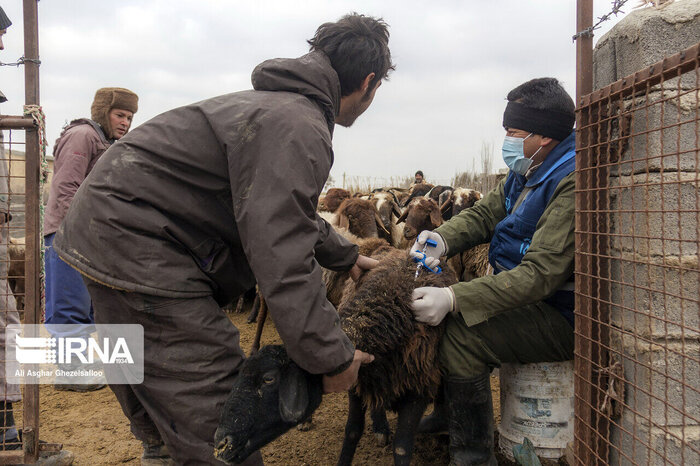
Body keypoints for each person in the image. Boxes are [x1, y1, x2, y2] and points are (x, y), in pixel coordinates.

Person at [53, 13, 394, 465]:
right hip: (146, 254)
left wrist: (345, 255)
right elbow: (283, 254)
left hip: (104, 241)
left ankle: (161, 449)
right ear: (368, 82)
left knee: (152, 393)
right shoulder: (298, 126)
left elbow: (276, 212)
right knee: (217, 420)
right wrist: (330, 356)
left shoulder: (270, 108)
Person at [410, 77, 576, 465]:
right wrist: (442, 239)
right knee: (450, 322)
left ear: (544, 137)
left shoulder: (570, 180)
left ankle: (473, 456)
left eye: (513, 132)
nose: (507, 140)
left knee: (461, 338)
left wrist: (454, 297)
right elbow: (487, 213)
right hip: (526, 296)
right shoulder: (530, 169)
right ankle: (452, 415)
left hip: (559, 313)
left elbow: (540, 276)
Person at [43, 87, 138, 391]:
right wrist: (77, 230)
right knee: (69, 300)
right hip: (69, 232)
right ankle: (69, 370)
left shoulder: (105, 142)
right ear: (103, 112)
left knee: (88, 302)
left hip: (89, 234)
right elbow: (67, 187)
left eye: (130, 117)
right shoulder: (83, 135)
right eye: (120, 114)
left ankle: (79, 359)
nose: (125, 122)